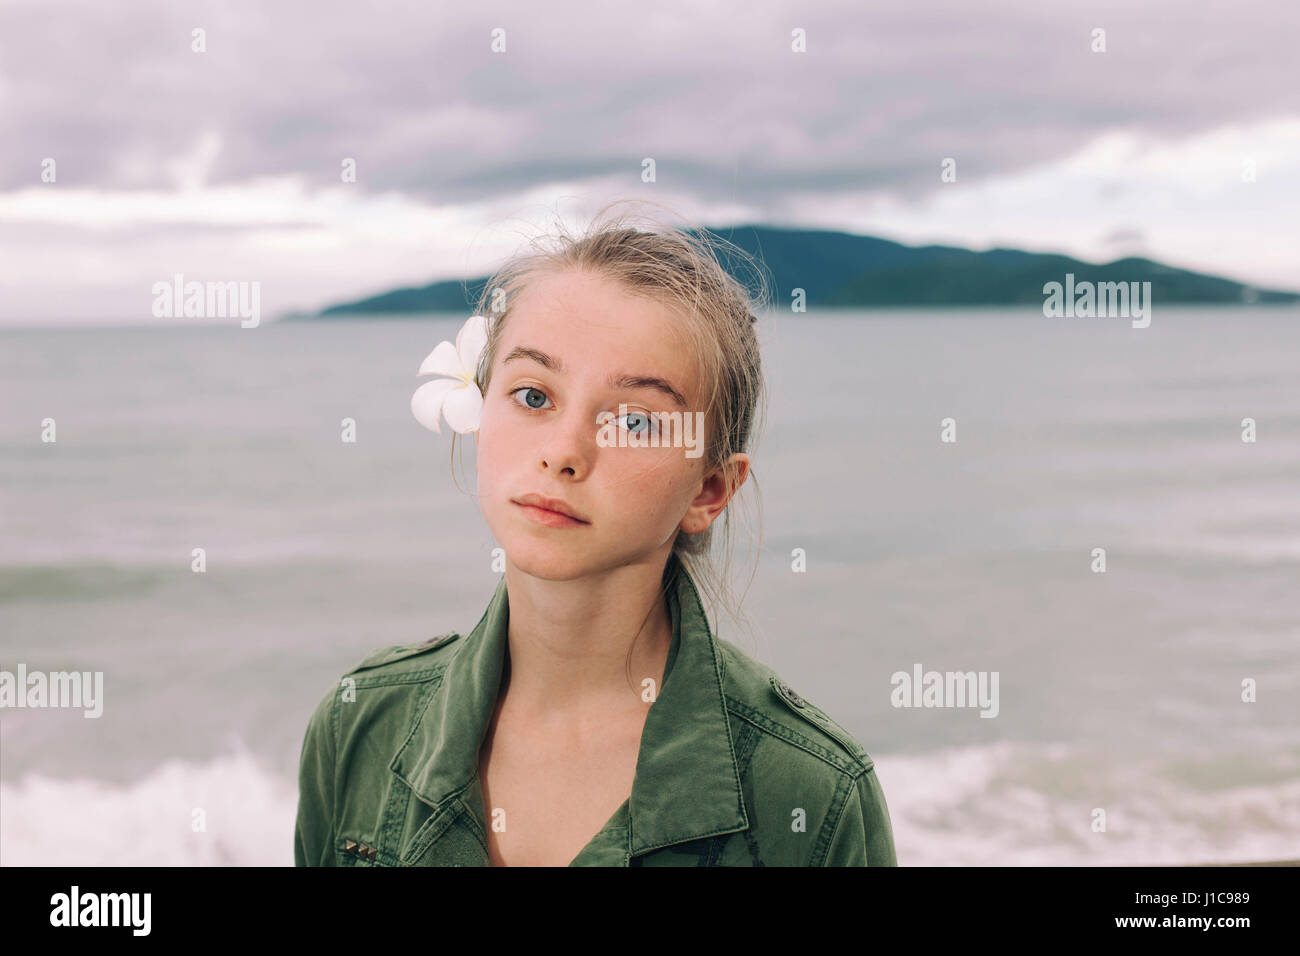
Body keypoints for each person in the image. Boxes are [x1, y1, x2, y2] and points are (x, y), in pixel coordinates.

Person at [294, 202, 897, 866]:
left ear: (708, 490)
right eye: (533, 396)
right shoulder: (357, 729)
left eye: (634, 422)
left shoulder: (810, 794)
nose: (563, 451)